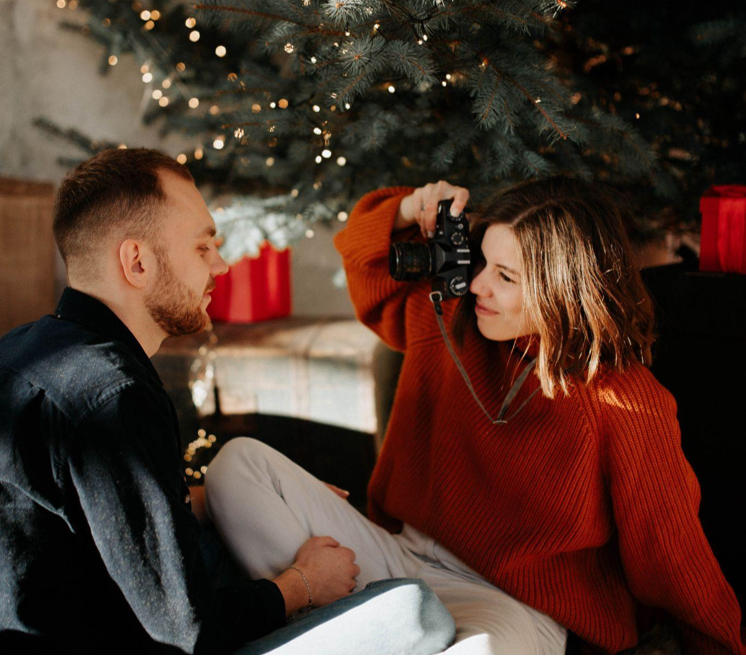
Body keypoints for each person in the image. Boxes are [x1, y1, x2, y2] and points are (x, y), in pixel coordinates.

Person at [205, 178, 746, 654]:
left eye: (507, 277)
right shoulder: (446, 317)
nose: (480, 285)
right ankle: (355, 628)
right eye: (484, 262)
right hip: (396, 563)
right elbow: (363, 261)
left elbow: (672, 555)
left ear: (565, 292)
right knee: (238, 465)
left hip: (509, 607)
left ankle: (341, 636)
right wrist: (407, 209)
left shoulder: (625, 403)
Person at [0, 149, 454, 654]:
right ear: (136, 262)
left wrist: (253, 496)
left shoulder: (21, 350)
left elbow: (98, 510)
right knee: (416, 615)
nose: (221, 264)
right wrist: (302, 584)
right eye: (202, 247)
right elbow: (189, 632)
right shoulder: (114, 396)